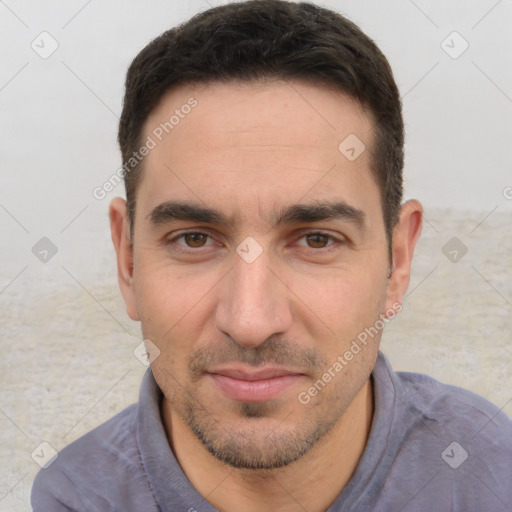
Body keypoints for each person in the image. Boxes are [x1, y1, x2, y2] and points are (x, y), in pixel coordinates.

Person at [30, 1, 512, 510]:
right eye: (194, 239)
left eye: (316, 240)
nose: (250, 322)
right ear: (128, 261)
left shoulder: (491, 471)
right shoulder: (74, 496)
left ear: (398, 261)